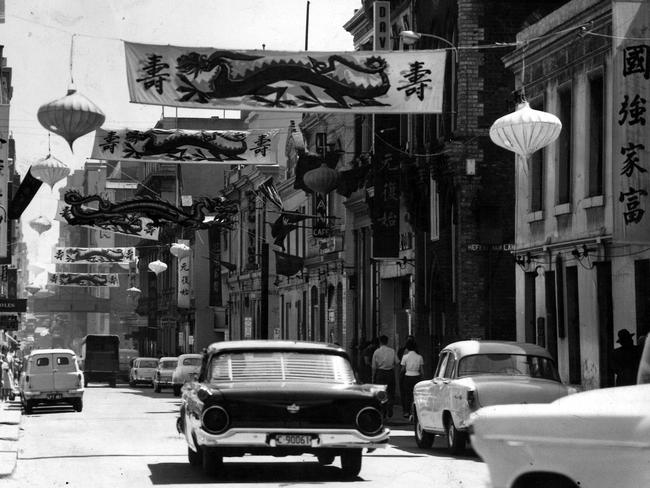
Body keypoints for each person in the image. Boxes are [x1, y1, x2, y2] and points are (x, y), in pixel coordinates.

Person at [372, 335, 397, 417]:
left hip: (380, 373)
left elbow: (374, 367)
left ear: (380, 342)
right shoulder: (392, 351)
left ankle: (383, 410)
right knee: (391, 391)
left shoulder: (376, 352)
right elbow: (397, 362)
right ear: (387, 342)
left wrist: (373, 377)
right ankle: (390, 407)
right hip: (390, 373)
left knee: (381, 392)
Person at [400, 338, 424, 418]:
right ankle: (416, 412)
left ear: (407, 347)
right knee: (416, 395)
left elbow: (403, 369)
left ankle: (407, 412)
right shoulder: (420, 357)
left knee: (407, 395)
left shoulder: (405, 357)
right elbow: (422, 371)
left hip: (407, 377)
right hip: (417, 377)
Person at [397, 335, 415, 415]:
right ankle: (406, 409)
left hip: (406, 374)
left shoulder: (414, 353)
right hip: (409, 374)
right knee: (406, 393)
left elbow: (400, 365)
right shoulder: (417, 354)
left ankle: (407, 410)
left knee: (407, 393)